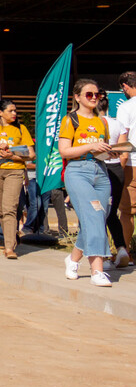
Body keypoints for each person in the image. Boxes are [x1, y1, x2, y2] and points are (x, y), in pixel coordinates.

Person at [59, 79, 121, 286]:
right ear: (77, 97)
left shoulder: (102, 121)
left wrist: (109, 151)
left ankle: (73, 259)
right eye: (89, 94)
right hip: (78, 172)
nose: (95, 97)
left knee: (97, 219)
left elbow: (101, 148)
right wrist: (90, 146)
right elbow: (65, 151)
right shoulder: (70, 120)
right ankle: (97, 270)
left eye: (98, 94)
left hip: (100, 171)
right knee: (94, 215)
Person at [0, 98, 35, 259]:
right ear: (0, 113)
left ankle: (9, 247)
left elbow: (31, 154)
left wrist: (13, 155)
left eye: (15, 111)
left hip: (14, 171)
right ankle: (9, 236)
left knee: (10, 207)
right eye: (11, 111)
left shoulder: (21, 129)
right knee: (0, 210)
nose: (14, 114)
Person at [97, 93, 131, 269]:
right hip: (117, 168)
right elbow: (124, 152)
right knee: (112, 212)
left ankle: (102, 255)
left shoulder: (92, 124)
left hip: (99, 168)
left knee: (97, 213)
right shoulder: (117, 123)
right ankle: (122, 248)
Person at [116, 71, 136, 255]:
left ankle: (125, 252)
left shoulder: (126, 107)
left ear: (125, 86)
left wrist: (119, 164)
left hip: (132, 163)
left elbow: (122, 138)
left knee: (127, 211)